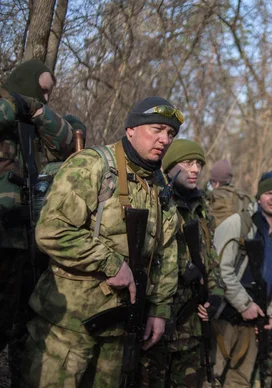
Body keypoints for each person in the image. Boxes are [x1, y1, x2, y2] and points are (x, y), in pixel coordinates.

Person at [18, 96, 183, 386]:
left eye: (170, 133)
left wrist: (159, 309)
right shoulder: (93, 165)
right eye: (157, 129)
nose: (164, 139)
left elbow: (166, 251)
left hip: (121, 330)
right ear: (131, 129)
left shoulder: (160, 186)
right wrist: (111, 263)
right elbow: (52, 230)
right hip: (68, 326)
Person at [0, 59, 83, 384]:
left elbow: (66, 146)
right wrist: (14, 105)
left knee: (21, 327)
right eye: (42, 92)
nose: (47, 99)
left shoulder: (33, 124)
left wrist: (35, 110)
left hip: (26, 246)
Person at [140, 139, 225, 387]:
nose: (195, 169)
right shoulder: (155, 200)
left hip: (192, 328)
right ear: (169, 167)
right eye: (188, 163)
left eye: (199, 164)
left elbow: (212, 258)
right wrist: (181, 269)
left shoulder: (201, 210)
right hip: (157, 323)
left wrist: (216, 294)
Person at [211, 170, 272, 387]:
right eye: (269, 193)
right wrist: (243, 304)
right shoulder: (239, 223)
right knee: (211, 375)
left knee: (240, 380)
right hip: (224, 315)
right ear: (259, 196)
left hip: (256, 321)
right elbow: (219, 268)